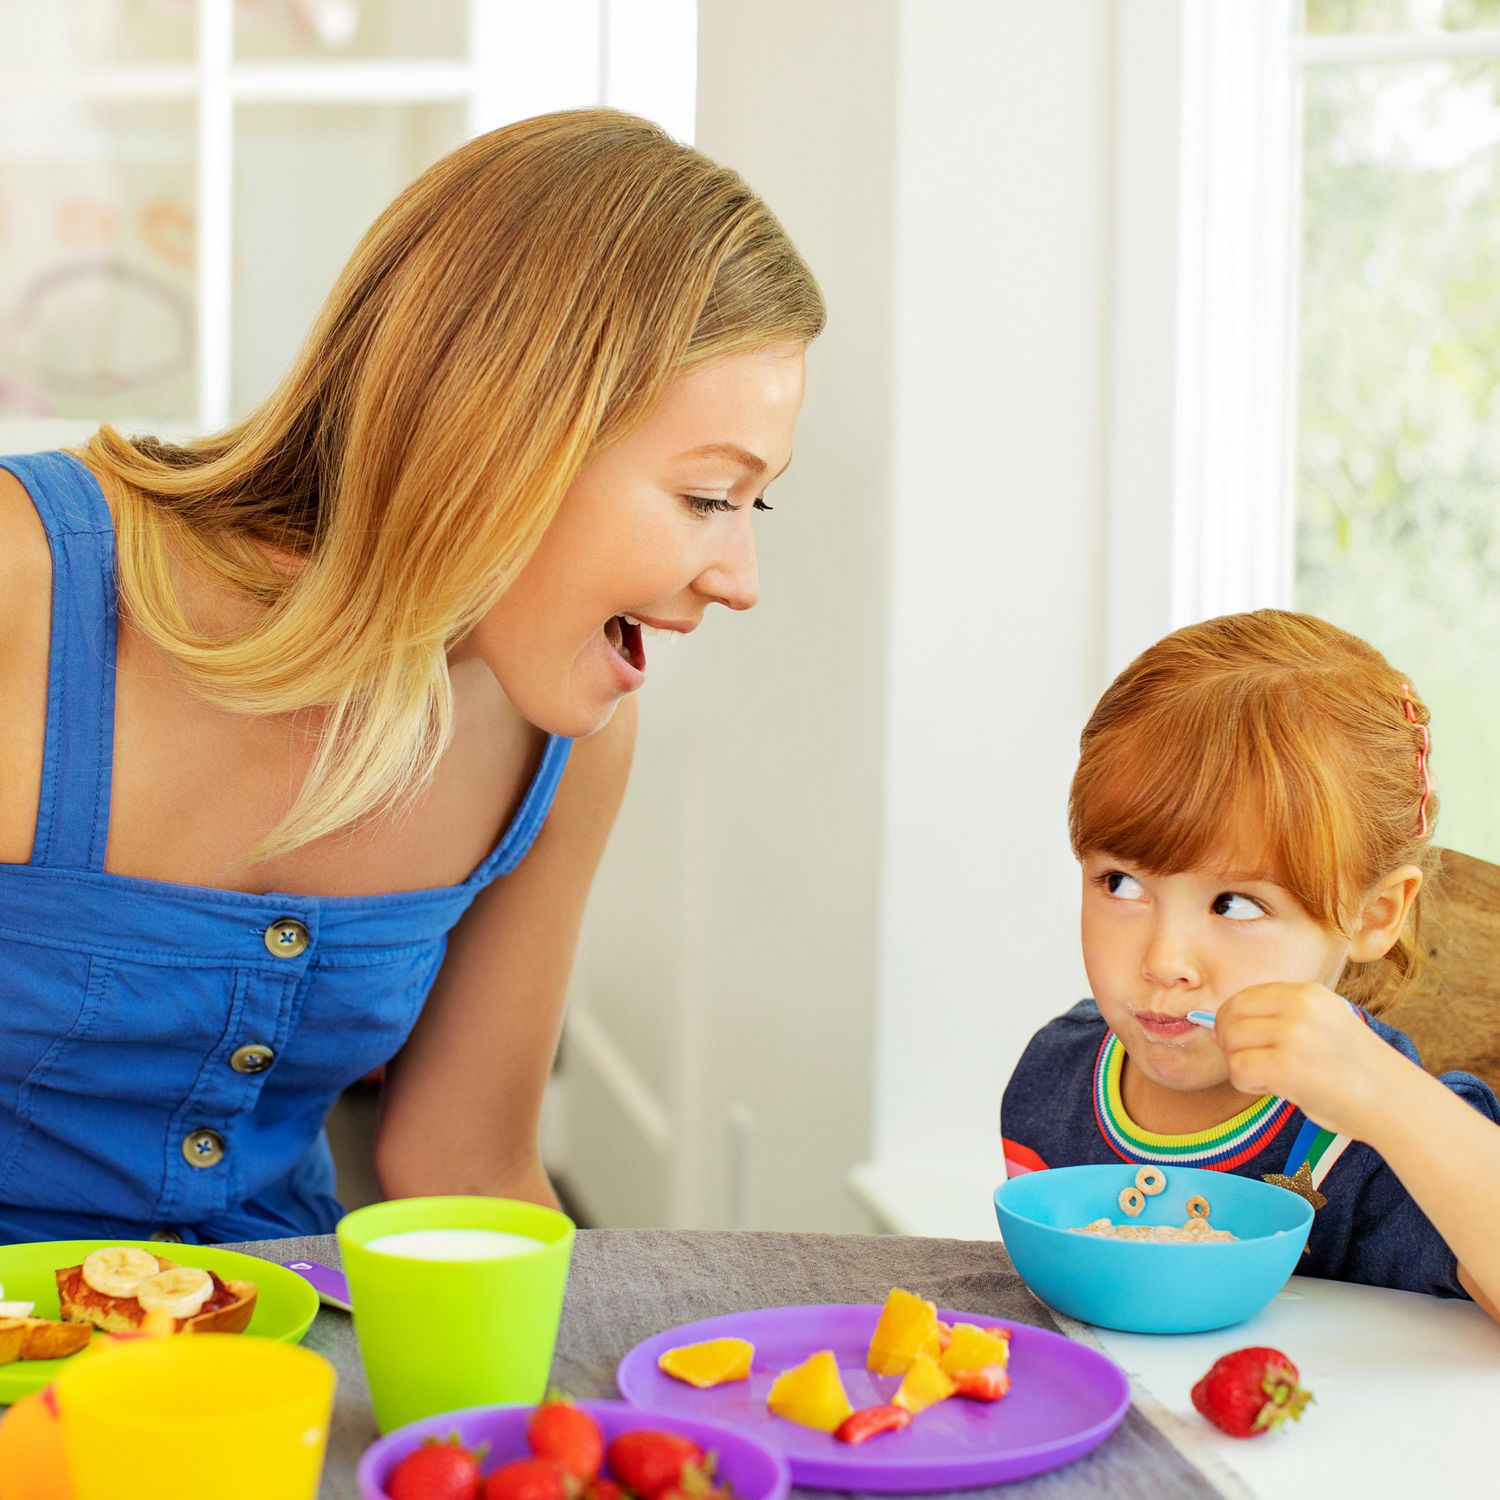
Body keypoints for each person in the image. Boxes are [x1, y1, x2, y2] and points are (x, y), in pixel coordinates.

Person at [0, 108, 823, 1245]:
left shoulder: (564, 740)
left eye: (756, 501)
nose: (740, 578)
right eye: (706, 497)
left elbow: (467, 1171)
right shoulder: (25, 587)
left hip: (278, 1382)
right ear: (506, 434)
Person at [999, 610, 1500, 1321]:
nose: (1165, 962)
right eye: (1121, 884)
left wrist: (1388, 1098)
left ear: (1376, 914)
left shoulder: (1379, 1141)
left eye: (1234, 904)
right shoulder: (1053, 1080)